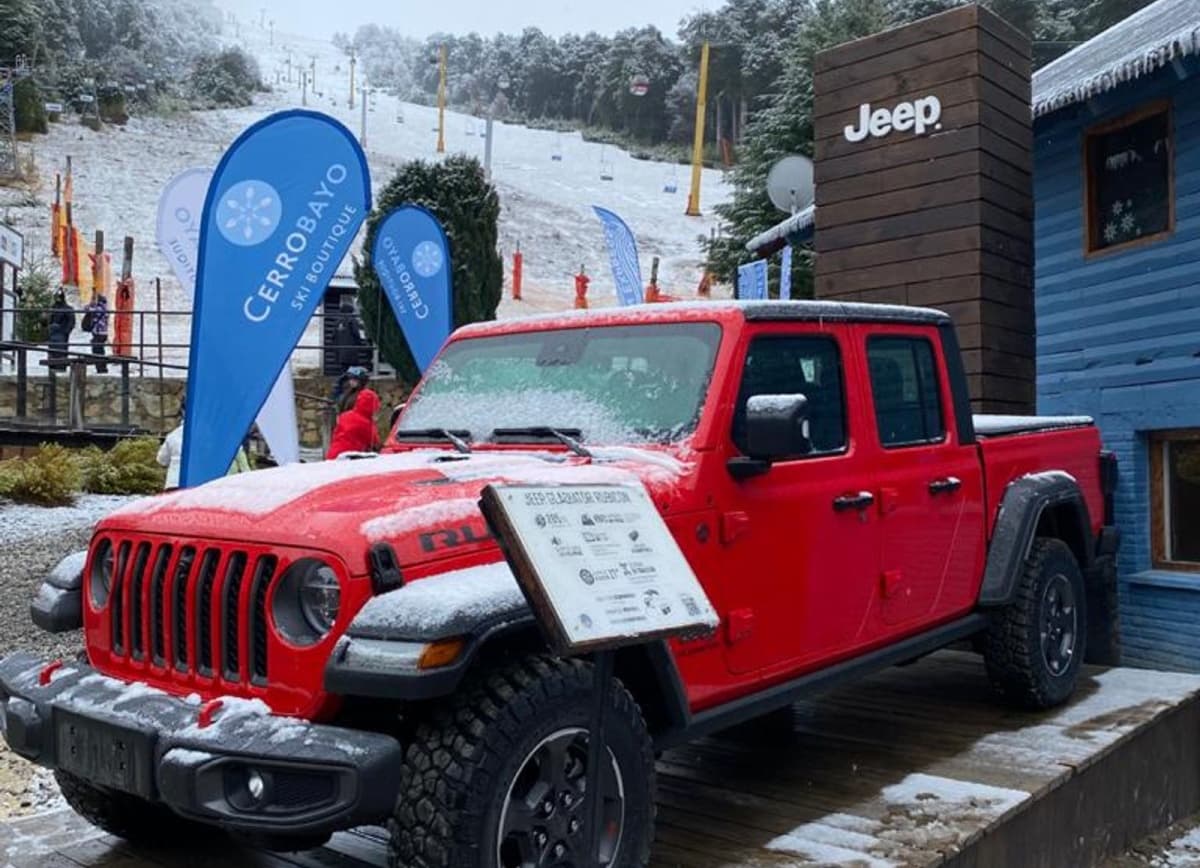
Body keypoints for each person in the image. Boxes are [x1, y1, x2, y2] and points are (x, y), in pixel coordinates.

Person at [327, 388, 381, 459]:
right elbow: (376, 443)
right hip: (349, 458)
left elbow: (335, 433)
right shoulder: (367, 424)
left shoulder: (344, 416)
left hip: (333, 454)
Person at [47, 289, 75, 370]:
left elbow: (71, 322)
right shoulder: (53, 308)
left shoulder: (67, 309)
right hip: (54, 334)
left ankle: (61, 366)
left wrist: (66, 331)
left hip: (62, 333)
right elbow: (49, 320)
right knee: (54, 350)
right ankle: (53, 365)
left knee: (61, 350)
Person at [82, 292, 109, 373]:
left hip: (99, 333)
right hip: (102, 333)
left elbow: (86, 309)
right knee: (99, 350)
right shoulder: (104, 308)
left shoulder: (100, 309)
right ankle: (101, 367)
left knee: (97, 351)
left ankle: (101, 368)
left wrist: (91, 304)